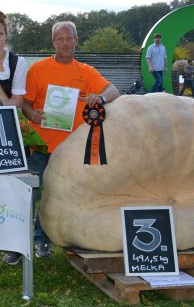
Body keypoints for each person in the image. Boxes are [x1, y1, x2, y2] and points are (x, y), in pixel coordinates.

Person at [21, 21, 120, 259]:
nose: (64, 43)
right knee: (28, 195)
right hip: (41, 145)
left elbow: (113, 91)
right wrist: (30, 112)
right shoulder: (38, 70)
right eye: (59, 39)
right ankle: (16, 245)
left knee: (56, 197)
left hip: (72, 149)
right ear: (53, 42)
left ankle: (42, 241)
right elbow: (24, 102)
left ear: (76, 40)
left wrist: (101, 99)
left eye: (69, 38)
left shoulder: (86, 72)